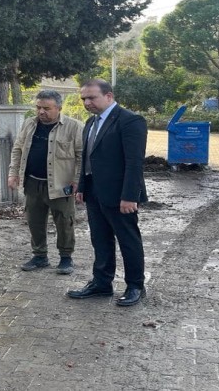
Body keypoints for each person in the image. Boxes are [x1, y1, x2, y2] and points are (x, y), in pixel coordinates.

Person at [66, 78, 148, 307]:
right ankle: (102, 283)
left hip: (120, 194)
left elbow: (134, 162)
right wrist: (83, 187)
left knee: (128, 240)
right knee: (100, 239)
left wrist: (130, 196)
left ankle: (135, 286)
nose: (87, 103)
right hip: (94, 192)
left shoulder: (130, 121)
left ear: (109, 96)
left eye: (92, 97)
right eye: (84, 98)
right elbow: (88, 158)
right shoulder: (90, 122)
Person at [8, 90, 84, 274]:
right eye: (38, 107)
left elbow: (81, 156)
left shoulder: (74, 127)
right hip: (32, 182)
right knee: (34, 221)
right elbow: (17, 149)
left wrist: (78, 181)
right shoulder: (29, 124)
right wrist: (13, 173)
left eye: (46, 108)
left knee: (64, 221)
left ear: (59, 108)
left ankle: (66, 258)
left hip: (62, 184)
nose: (41, 112)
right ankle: (40, 256)